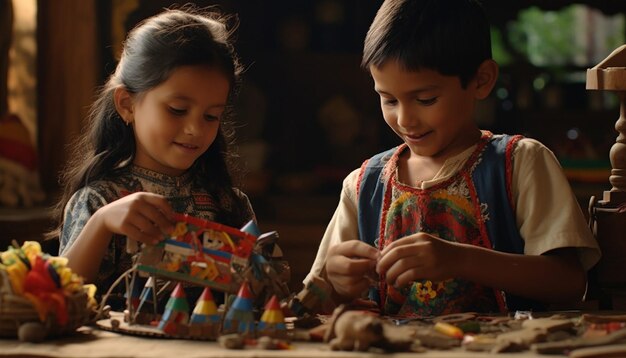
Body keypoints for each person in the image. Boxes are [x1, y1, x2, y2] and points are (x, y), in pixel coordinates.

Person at [306, 0, 600, 316]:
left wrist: (461, 259)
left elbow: (570, 282)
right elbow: (311, 299)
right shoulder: (363, 185)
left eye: (425, 99)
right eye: (389, 99)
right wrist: (335, 286)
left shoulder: (520, 163)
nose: (405, 119)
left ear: (482, 80)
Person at [50, 6, 254, 306]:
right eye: (177, 110)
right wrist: (102, 223)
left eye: (211, 116)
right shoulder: (100, 201)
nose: (195, 129)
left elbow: (263, 294)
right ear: (127, 104)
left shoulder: (227, 204)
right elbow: (60, 299)